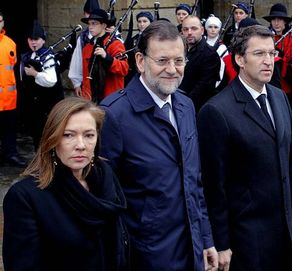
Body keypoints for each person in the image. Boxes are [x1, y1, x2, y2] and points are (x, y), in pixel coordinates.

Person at [100, 20, 218, 271]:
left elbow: (194, 182)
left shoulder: (186, 106)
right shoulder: (113, 115)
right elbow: (104, 199)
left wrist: (206, 239)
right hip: (146, 256)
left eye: (179, 61)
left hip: (191, 250)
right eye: (162, 61)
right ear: (140, 61)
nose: (172, 69)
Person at [197, 24, 292, 271]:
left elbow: (291, 161)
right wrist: (221, 242)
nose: (268, 61)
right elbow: (214, 188)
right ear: (239, 59)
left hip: (282, 228)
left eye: (272, 53)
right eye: (259, 54)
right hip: (246, 237)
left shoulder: (279, 97)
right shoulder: (216, 112)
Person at [2, 97, 128, 271]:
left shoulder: (105, 176)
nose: (81, 145)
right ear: (52, 140)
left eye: (89, 135)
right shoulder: (26, 197)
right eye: (68, 135)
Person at [20, 20, 64, 149]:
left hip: (48, 105)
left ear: (43, 40)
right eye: (31, 39)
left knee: (48, 137)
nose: (33, 42)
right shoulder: (27, 55)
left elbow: (51, 80)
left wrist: (35, 74)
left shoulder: (48, 57)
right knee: (36, 137)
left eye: (36, 39)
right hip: (35, 106)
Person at [264, 3, 292, 138]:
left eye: (279, 20)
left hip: (289, 87)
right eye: (273, 19)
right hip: (270, 84)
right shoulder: (267, 38)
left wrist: (285, 67)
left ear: (285, 21)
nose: (276, 23)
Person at [78, 8, 128, 103]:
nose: (90, 27)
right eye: (89, 24)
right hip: (90, 99)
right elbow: (85, 75)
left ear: (104, 25)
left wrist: (107, 57)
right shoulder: (87, 47)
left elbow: (124, 68)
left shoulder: (115, 44)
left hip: (111, 100)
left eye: (94, 23)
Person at [0, 11, 26, 167]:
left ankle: (10, 154)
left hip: (9, 99)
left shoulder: (11, 43)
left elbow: (13, 67)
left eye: (0, 21)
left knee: (9, 130)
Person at [180, 15, 221, 111]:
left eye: (194, 29)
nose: (189, 32)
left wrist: (184, 104)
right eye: (185, 29)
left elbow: (203, 87)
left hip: (195, 108)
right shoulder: (181, 50)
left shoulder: (210, 54)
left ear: (202, 30)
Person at [68, 0, 100, 98]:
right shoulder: (82, 38)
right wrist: (76, 83)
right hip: (87, 83)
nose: (90, 16)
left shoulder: (111, 35)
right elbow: (77, 60)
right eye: (88, 13)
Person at [124, 11, 154, 85]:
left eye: (145, 21)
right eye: (139, 21)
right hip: (134, 74)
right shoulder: (133, 39)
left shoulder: (154, 38)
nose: (142, 24)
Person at [204, 15, 228, 88]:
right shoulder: (201, 43)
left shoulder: (222, 47)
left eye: (216, 27)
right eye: (210, 27)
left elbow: (223, 68)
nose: (213, 30)